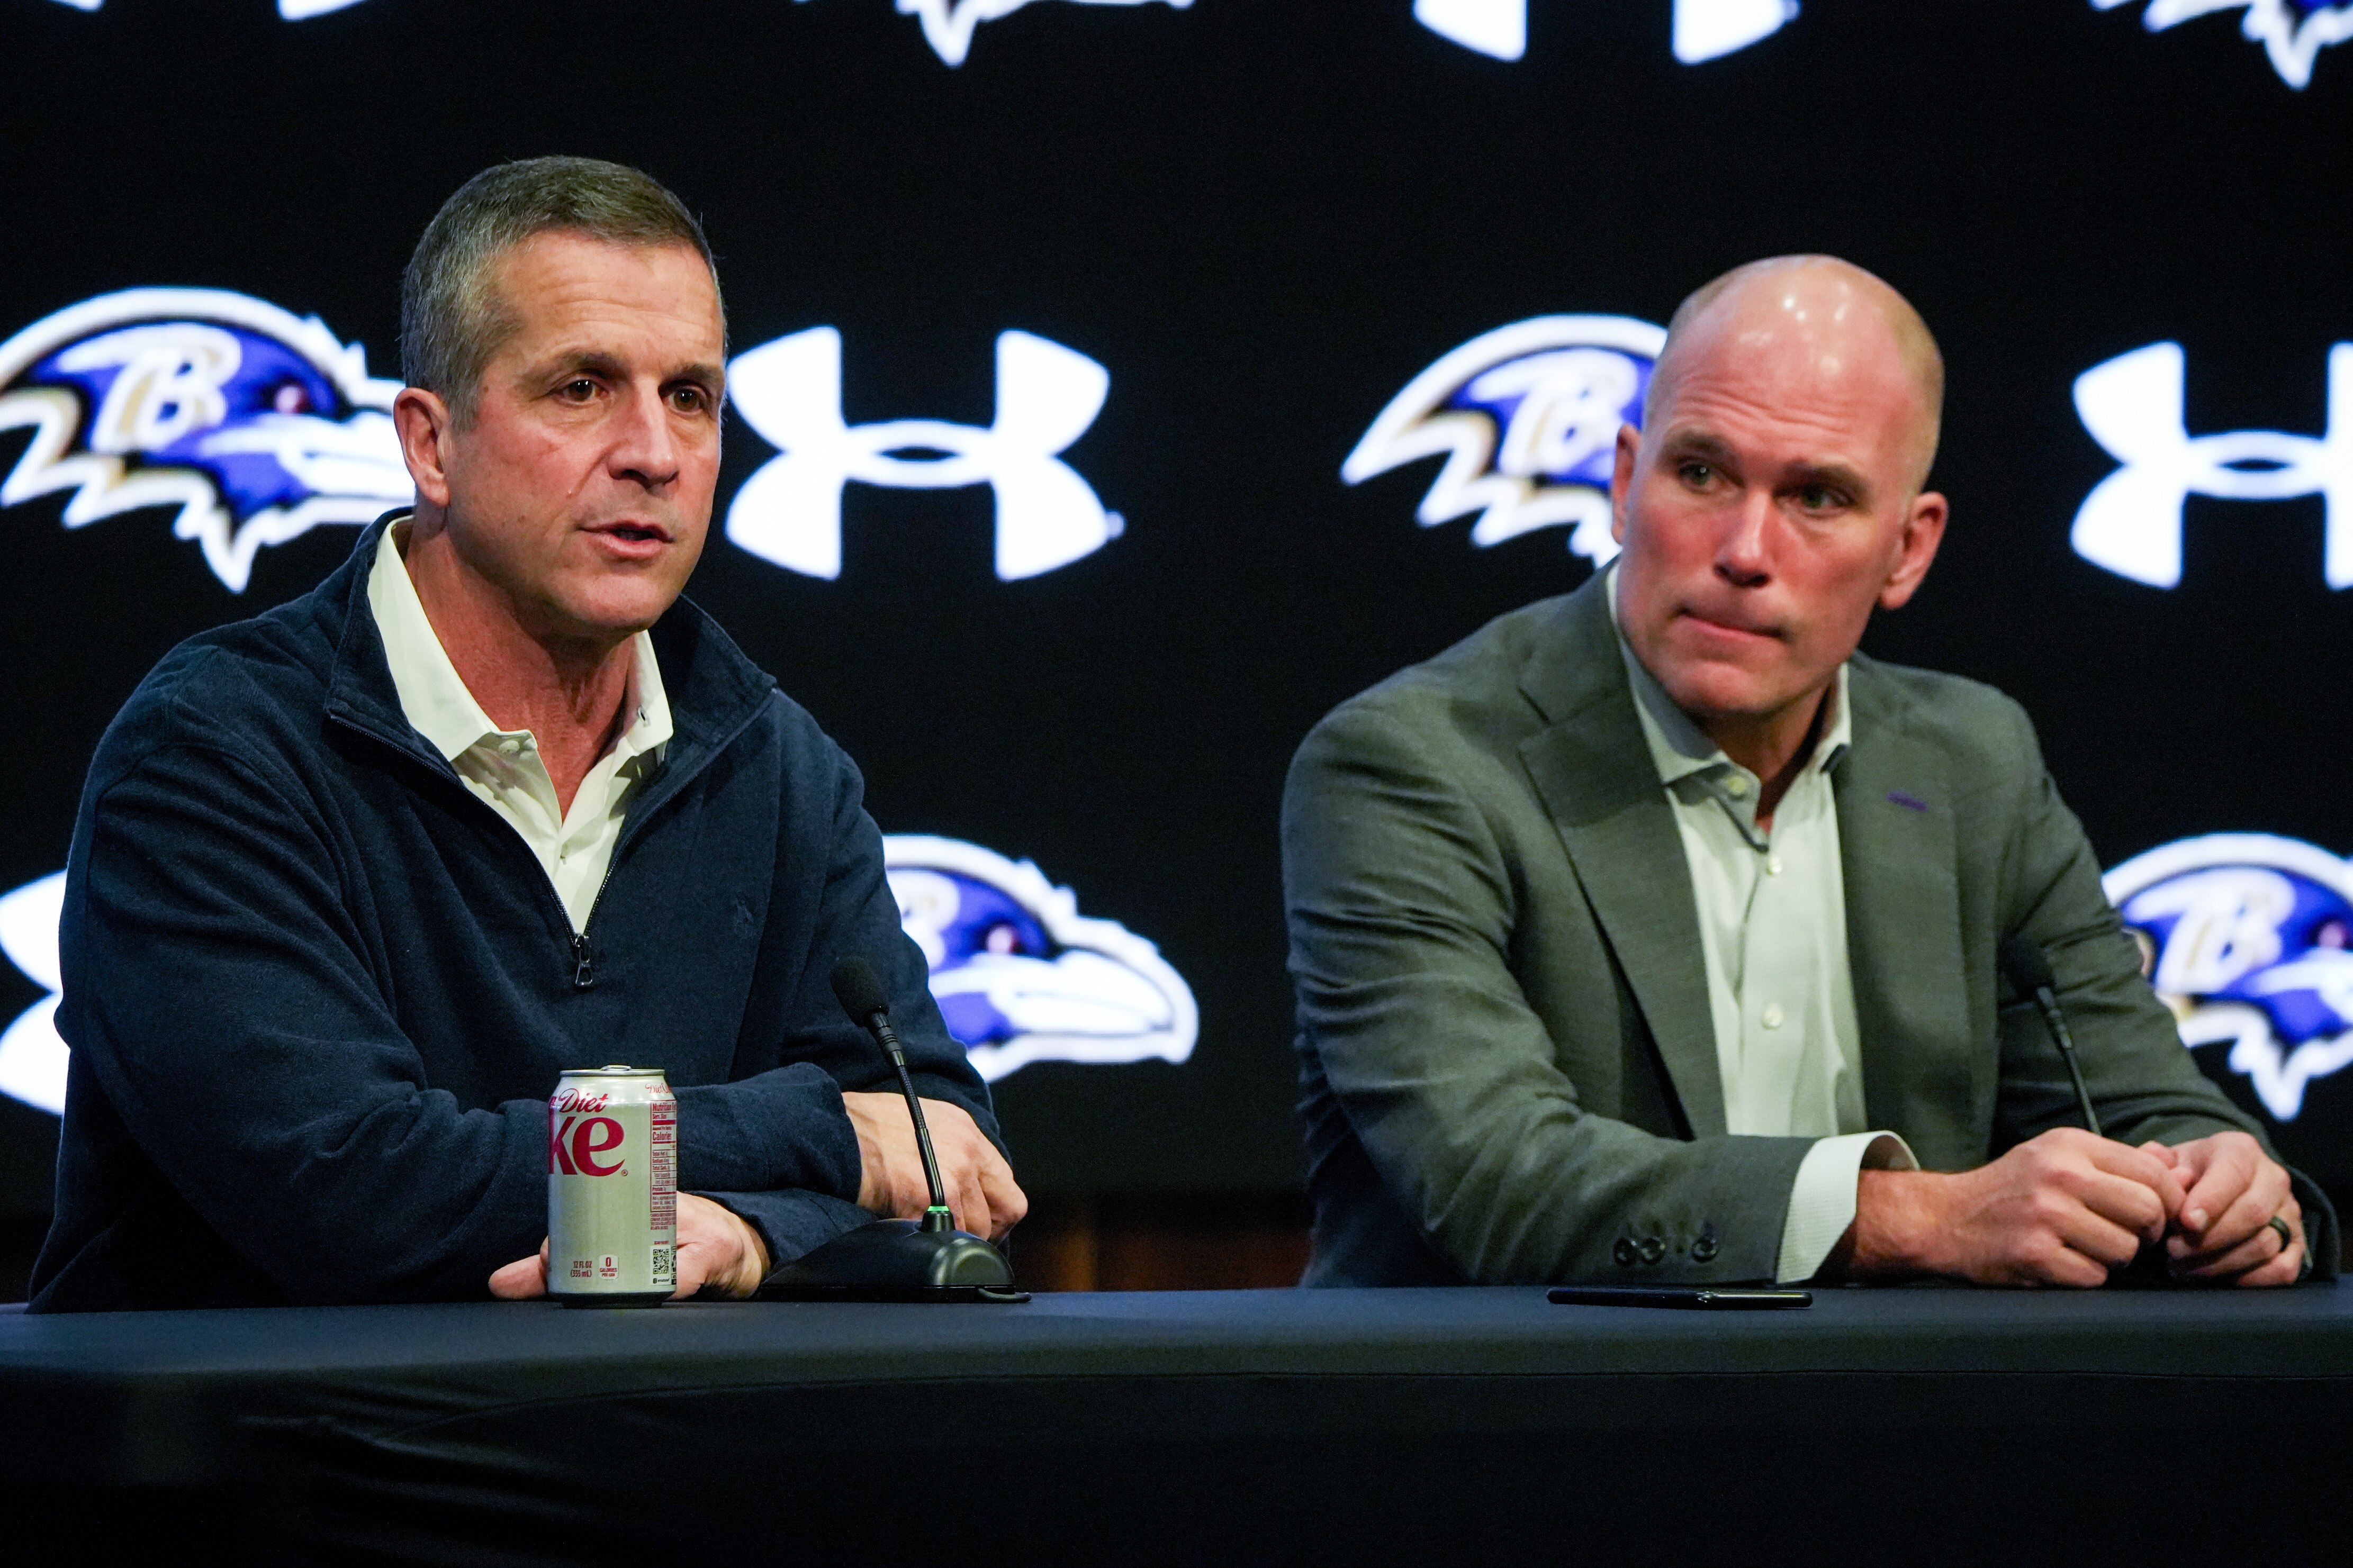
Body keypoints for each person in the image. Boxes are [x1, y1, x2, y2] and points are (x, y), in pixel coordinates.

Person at [29, 157, 1024, 1312]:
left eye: (691, 396)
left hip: (662, 1468)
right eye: (583, 388)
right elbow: (352, 1190)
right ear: (430, 445)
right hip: (288, 1471)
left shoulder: (774, 760)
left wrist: (747, 1234)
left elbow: (948, 1154)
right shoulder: (215, 752)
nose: (655, 452)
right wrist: (812, 1136)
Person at [1283, 255, 2334, 1289]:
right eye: (1701, 473)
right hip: (1518, 1437)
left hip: (1898, 1442)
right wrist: (1915, 1218)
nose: (1744, 548)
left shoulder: (1976, 765)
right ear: (1621, 482)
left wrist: (2228, 1196)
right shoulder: (1415, 765)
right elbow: (1496, 1182)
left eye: (1818, 497)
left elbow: (2137, 1107)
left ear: (1908, 551)